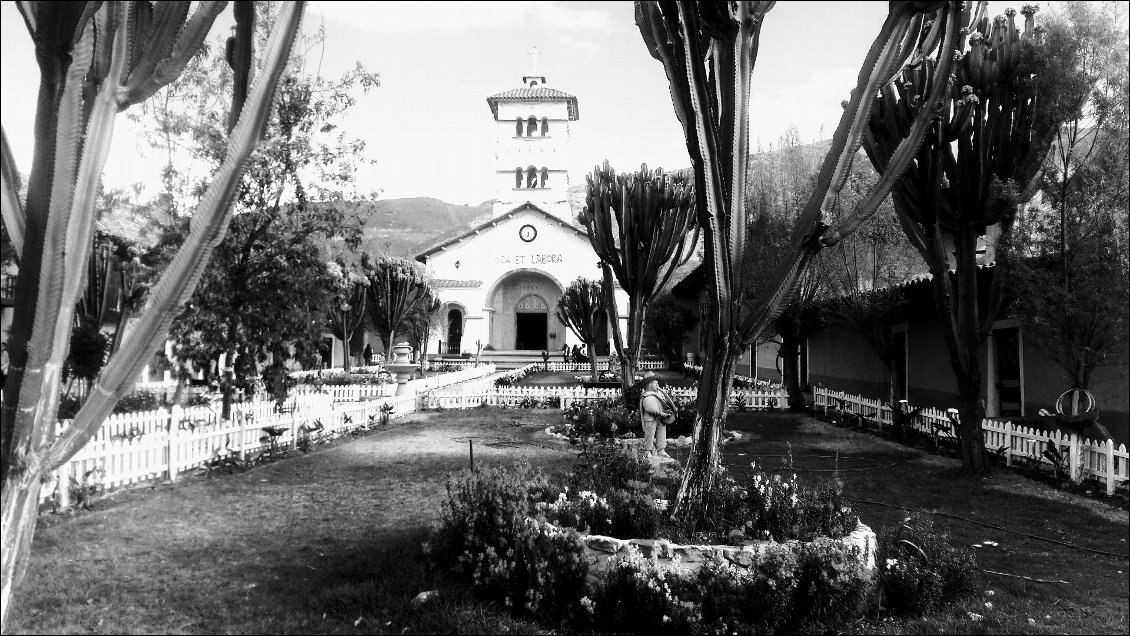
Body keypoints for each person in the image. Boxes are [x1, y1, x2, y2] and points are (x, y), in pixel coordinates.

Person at [639, 378, 674, 459]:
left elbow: (661, 405)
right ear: (649, 385)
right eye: (656, 383)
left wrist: (666, 412)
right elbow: (650, 409)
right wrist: (661, 414)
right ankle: (648, 451)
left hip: (660, 418)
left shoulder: (657, 395)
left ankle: (661, 450)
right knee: (649, 435)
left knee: (662, 432)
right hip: (650, 419)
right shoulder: (647, 397)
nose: (658, 385)